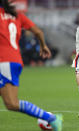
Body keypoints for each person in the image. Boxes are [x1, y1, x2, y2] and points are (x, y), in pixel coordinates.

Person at [0, 0, 62, 130]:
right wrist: (43, 46)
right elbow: (38, 32)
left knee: (12, 104)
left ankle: (51, 118)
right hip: (13, 60)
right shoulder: (17, 14)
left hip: (4, 61)